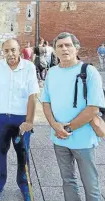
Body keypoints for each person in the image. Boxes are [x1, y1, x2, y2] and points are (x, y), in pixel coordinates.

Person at [41, 32, 105, 201]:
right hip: (59, 139)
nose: (64, 49)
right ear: (54, 51)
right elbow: (45, 103)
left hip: (82, 139)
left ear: (76, 48)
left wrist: (67, 128)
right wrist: (55, 126)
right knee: (67, 181)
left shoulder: (89, 71)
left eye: (68, 45)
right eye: (60, 46)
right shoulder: (52, 73)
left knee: (91, 184)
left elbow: (93, 108)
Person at [0, 39, 39, 201]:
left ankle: (24, 185)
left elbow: (33, 96)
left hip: (20, 119)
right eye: (7, 51)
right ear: (3, 52)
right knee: (0, 154)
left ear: (19, 50)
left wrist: (29, 121)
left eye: (13, 50)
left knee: (22, 155)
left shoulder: (29, 67)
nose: (10, 54)